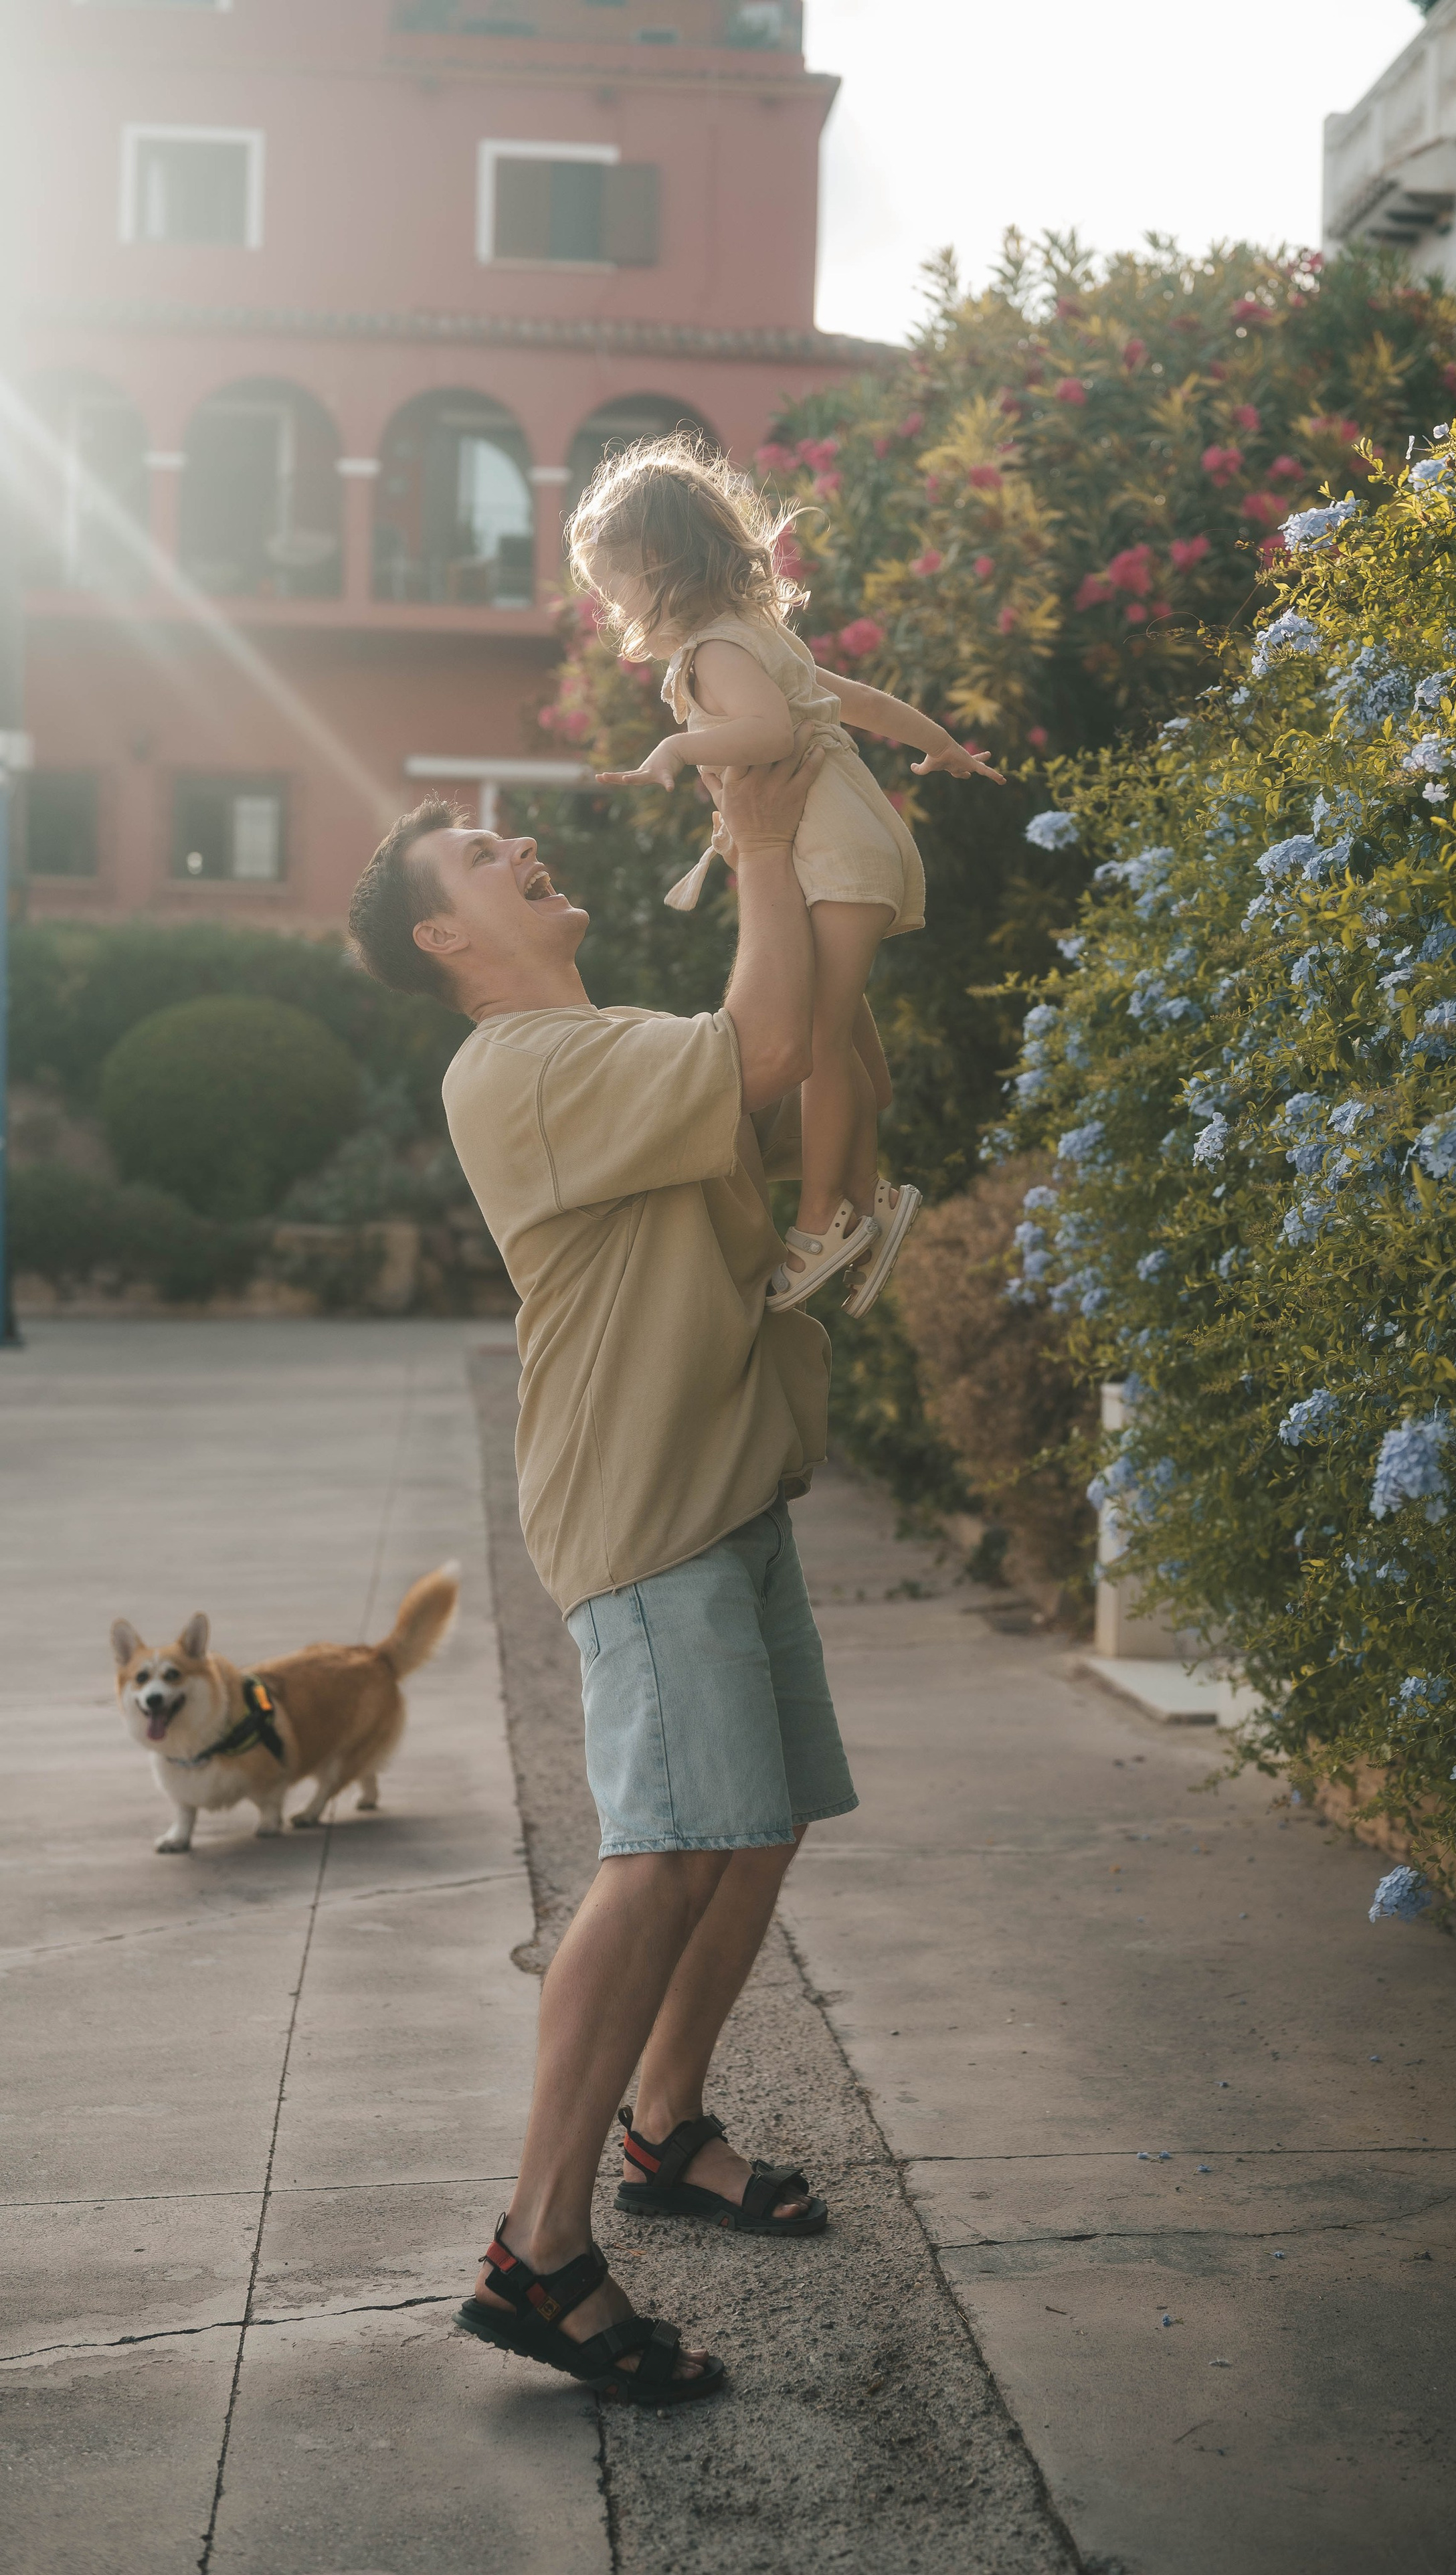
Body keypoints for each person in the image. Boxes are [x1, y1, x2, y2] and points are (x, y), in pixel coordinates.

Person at [346, 742, 856, 2408]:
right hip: (644, 1513)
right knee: (657, 1855)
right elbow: (765, 1046)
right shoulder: (520, 1069)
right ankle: (538, 2247)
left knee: (753, 1815)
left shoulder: (597, 1045)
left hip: (720, 1474)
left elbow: (775, 1045)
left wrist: (796, 852)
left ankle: (662, 2123)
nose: (524, 848)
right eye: (486, 855)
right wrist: (766, 839)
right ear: (443, 937)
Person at [567, 434, 1003, 1315]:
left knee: (810, 1045)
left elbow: (766, 733)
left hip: (834, 859)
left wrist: (675, 746)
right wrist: (943, 746)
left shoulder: (713, 656)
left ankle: (821, 1222)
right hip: (846, 848)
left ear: (656, 565)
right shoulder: (758, 634)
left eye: (611, 580)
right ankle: (866, 1199)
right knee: (835, 1042)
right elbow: (867, 703)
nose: (607, 601)